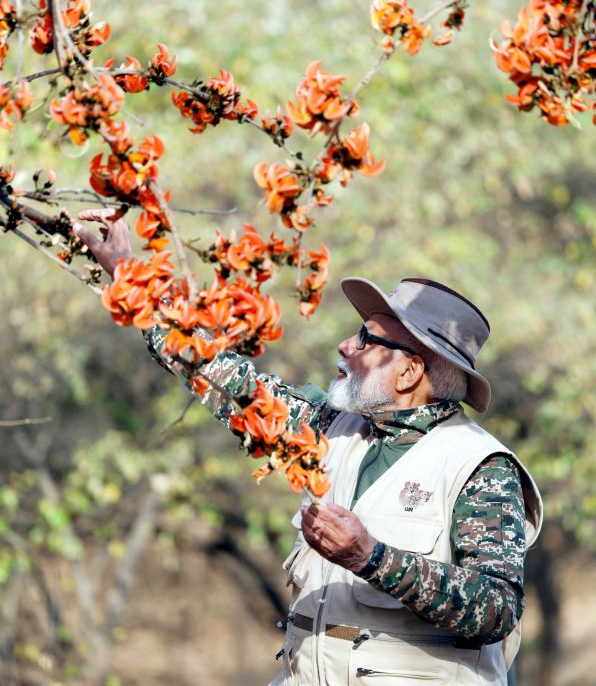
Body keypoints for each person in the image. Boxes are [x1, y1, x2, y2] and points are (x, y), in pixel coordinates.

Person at [74, 210, 543, 686]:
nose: (345, 345)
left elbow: (496, 608)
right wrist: (131, 278)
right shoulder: (330, 427)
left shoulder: (478, 466)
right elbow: (225, 379)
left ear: (408, 372)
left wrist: (372, 557)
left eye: (366, 339)